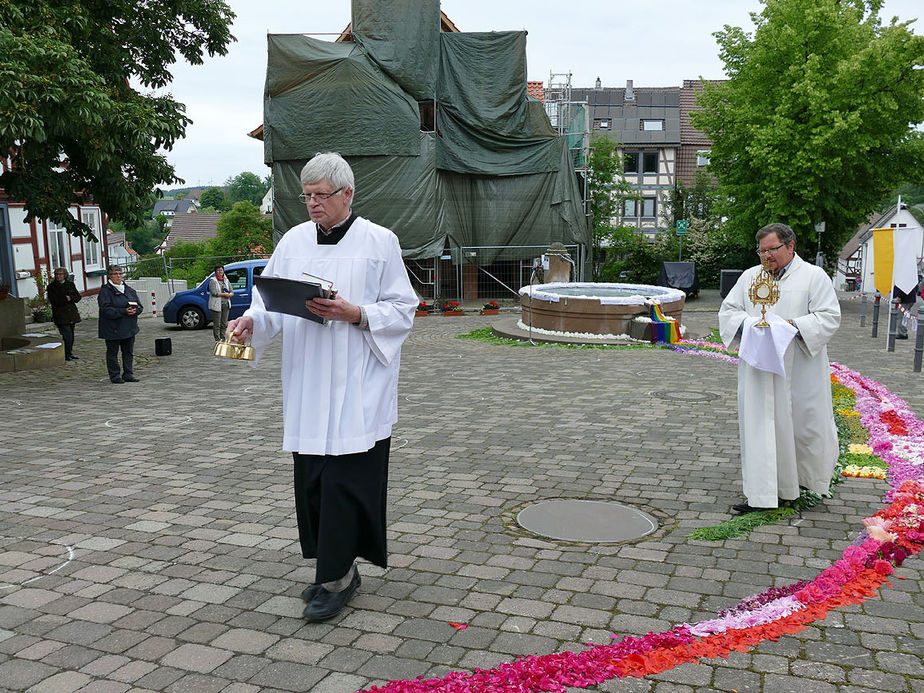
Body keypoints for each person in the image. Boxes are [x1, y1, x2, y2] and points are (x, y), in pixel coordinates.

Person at [226, 152, 417, 622]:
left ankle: (336, 576)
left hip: (358, 383)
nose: (312, 204)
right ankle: (331, 568)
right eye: (307, 196)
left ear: (347, 194)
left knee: (344, 483)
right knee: (312, 481)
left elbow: (403, 307)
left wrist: (357, 314)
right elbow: (270, 299)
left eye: (321, 196)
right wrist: (251, 320)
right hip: (310, 380)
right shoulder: (292, 240)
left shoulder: (379, 242)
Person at [718, 223, 841, 514]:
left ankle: (798, 486)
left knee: (802, 427)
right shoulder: (750, 277)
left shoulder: (813, 276)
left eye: (772, 249)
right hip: (759, 370)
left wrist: (790, 327)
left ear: (790, 246)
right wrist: (750, 325)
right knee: (760, 428)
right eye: (761, 251)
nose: (766, 256)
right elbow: (728, 311)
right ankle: (761, 494)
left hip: (799, 368)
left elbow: (829, 317)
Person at [98, 266, 142, 383]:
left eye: (120, 273)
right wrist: (124, 311)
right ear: (109, 276)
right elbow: (105, 310)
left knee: (128, 352)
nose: (118, 276)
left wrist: (135, 311)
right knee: (112, 353)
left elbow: (139, 306)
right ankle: (115, 375)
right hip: (113, 328)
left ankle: (128, 373)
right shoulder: (105, 291)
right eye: (115, 274)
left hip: (129, 327)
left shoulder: (129, 290)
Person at [47, 267, 82, 361]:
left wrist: (70, 298)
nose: (58, 276)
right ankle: (66, 354)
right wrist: (66, 299)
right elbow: (54, 301)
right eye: (57, 274)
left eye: (60, 274)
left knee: (71, 335)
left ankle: (69, 352)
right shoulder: (51, 287)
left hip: (71, 314)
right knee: (67, 335)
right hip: (60, 314)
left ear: (65, 275)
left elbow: (78, 297)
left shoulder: (70, 284)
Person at [208, 265, 233, 341]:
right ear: (215, 272)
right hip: (216, 305)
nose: (220, 272)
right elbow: (214, 293)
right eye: (218, 270)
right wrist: (224, 294)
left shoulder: (226, 280)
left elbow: (232, 291)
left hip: (226, 304)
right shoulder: (213, 281)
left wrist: (230, 294)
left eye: (221, 270)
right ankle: (217, 339)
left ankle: (223, 338)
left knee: (224, 323)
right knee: (217, 324)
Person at [893, 275, 919, 340]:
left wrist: (899, 296)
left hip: (905, 300)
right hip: (910, 299)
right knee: (905, 316)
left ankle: (902, 333)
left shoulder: (904, 277)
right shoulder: (911, 276)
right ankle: (904, 332)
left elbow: (903, 288)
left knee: (900, 316)